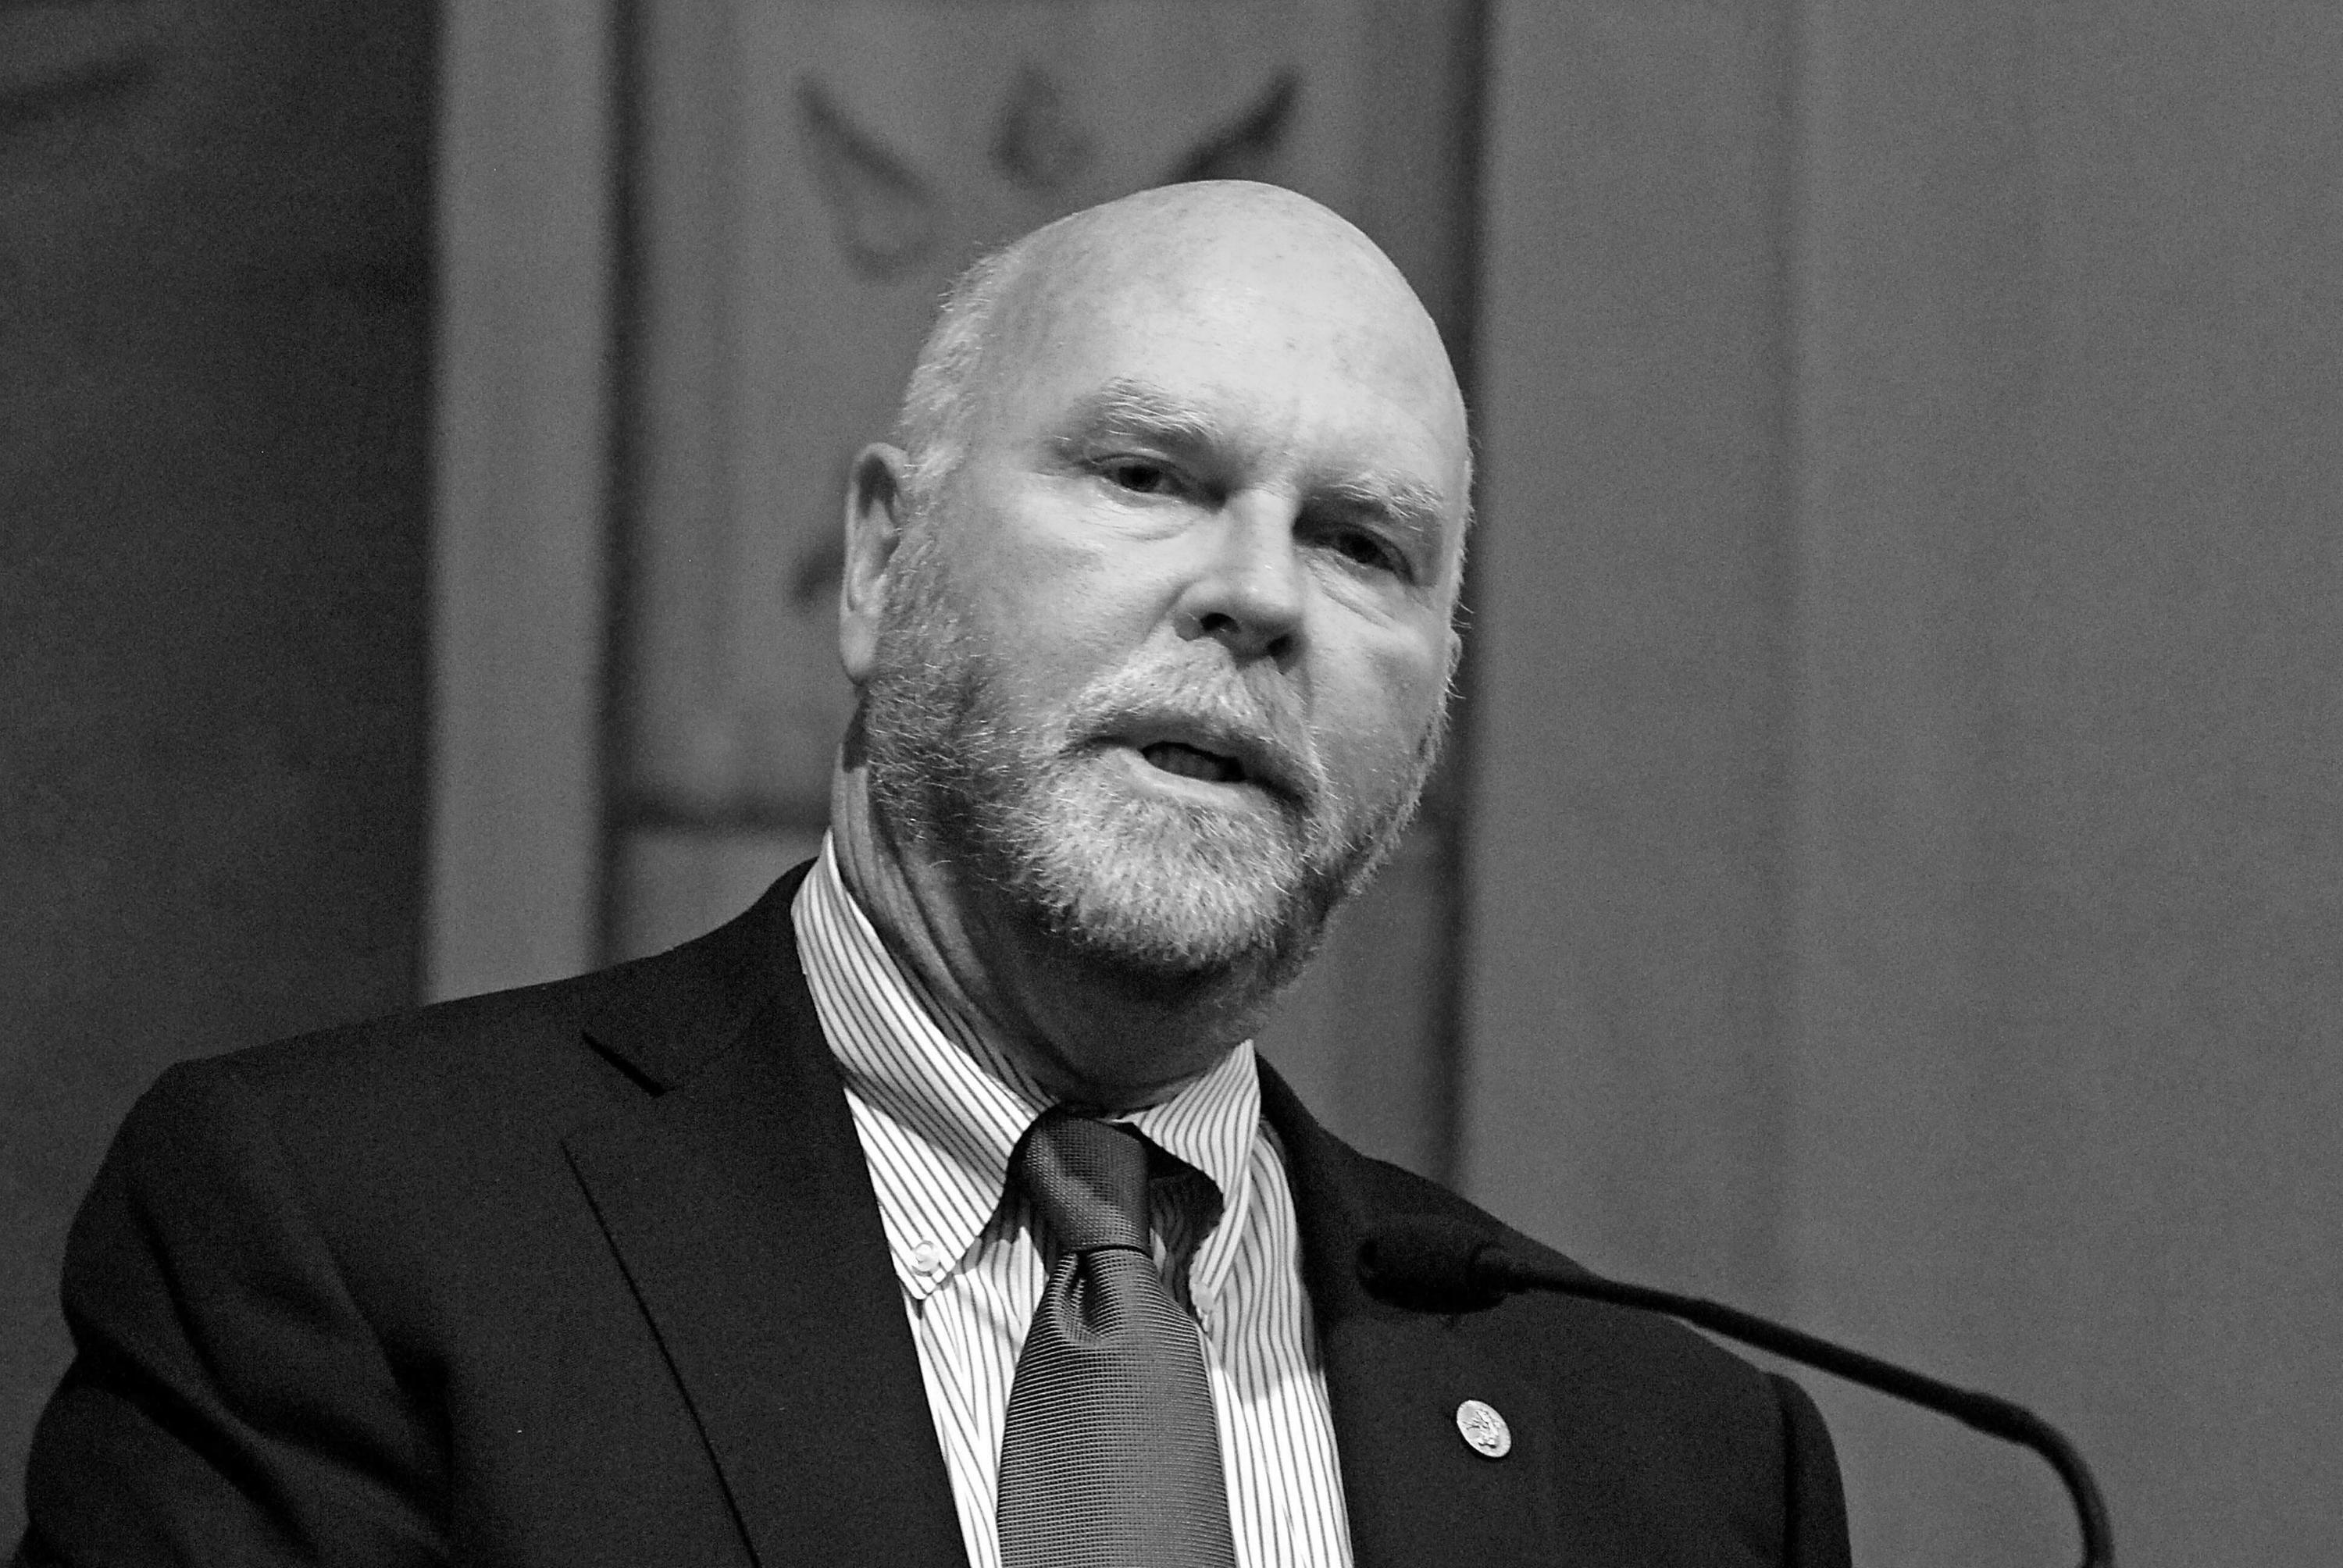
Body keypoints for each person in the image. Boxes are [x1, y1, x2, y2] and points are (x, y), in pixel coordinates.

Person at [15, 181, 1849, 1566]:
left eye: (1365, 543)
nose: (1259, 594)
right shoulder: (346, 1234)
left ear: (1439, 696)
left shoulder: (1677, 1465)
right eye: (1147, 472)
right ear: (884, 561)